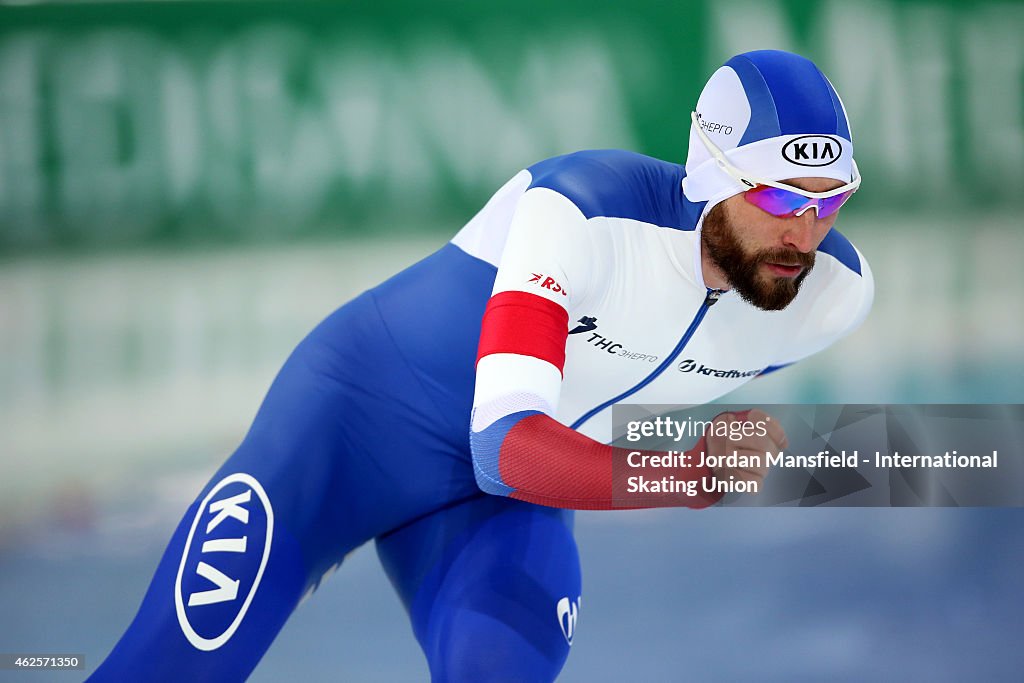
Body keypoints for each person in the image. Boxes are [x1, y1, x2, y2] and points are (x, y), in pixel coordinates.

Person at [88, 49, 873, 682]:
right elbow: (506, 445)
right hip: (346, 434)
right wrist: (690, 475)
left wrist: (735, 440)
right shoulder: (581, 211)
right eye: (777, 199)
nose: (803, 234)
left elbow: (646, 371)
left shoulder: (832, 297)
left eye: (829, 200)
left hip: (498, 503)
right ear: (713, 177)